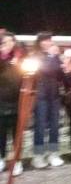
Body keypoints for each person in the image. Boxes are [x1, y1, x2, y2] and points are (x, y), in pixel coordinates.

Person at [32, 33, 65, 169]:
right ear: (39, 42)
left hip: (54, 95)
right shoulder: (35, 56)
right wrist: (52, 56)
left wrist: (64, 64)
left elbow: (60, 74)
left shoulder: (55, 56)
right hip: (40, 95)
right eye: (45, 40)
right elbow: (44, 69)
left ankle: (53, 153)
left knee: (55, 125)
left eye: (49, 40)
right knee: (40, 126)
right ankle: (38, 156)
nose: (48, 42)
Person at [0, 33, 23, 175]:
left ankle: (17, 161)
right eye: (5, 42)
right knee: (1, 133)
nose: (8, 44)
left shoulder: (21, 56)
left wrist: (19, 64)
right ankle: (1, 159)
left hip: (17, 102)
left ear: (14, 42)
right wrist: (3, 55)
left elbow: (31, 74)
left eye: (10, 41)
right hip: (1, 102)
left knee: (17, 134)